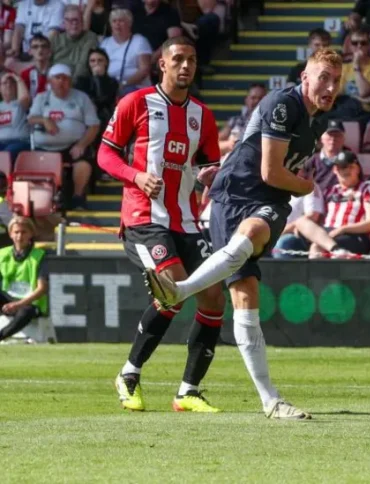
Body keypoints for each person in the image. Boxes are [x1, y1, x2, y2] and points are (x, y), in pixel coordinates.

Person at [145, 48, 344, 420]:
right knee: (244, 297)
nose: (330, 86)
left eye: (336, 80)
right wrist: (305, 188)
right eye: (323, 78)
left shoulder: (316, 121)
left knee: (252, 237)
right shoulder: (284, 105)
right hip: (235, 196)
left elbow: (257, 154)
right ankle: (270, 400)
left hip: (264, 202)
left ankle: (179, 291)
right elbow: (271, 172)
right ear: (305, 76)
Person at [97, 37, 225, 413]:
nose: (186, 66)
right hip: (143, 218)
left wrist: (212, 177)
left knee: (215, 297)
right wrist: (136, 177)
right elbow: (105, 152)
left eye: (192, 60)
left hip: (185, 220)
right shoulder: (135, 103)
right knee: (172, 290)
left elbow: (207, 168)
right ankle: (129, 374)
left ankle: (188, 391)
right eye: (178, 59)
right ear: (162, 65)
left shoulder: (203, 115)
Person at [281, 151, 370, 258]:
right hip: (329, 234)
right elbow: (319, 219)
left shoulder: (367, 189)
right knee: (301, 222)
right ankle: (336, 250)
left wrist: (343, 229)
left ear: (357, 168)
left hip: (356, 236)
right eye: (340, 168)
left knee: (317, 248)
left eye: (349, 167)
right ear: (334, 170)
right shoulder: (330, 191)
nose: (345, 171)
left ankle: (335, 250)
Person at [28, 63, 100, 209]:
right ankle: (46, 201)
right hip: (45, 147)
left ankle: (78, 197)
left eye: (65, 78)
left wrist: (82, 144)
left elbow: (94, 125)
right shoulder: (42, 98)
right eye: (57, 78)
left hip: (72, 146)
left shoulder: (81, 97)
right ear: (49, 81)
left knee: (83, 164)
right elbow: (30, 119)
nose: (61, 81)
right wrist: (44, 120)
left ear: (70, 81)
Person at [0, 217, 48, 344]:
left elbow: (42, 288)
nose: (19, 236)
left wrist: (18, 304)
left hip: (30, 303)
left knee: (27, 311)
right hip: (7, 298)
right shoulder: (2, 254)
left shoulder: (39, 255)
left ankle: (1, 335)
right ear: (10, 234)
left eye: (24, 232)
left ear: (31, 234)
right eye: (16, 232)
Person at [99, 9, 152, 96]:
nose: (117, 24)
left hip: (135, 86)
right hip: (110, 86)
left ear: (129, 24)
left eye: (121, 21)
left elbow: (144, 70)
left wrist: (124, 84)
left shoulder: (140, 41)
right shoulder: (105, 43)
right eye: (114, 21)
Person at [74, 47, 119, 135]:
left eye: (100, 60)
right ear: (88, 63)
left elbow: (104, 99)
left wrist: (98, 78)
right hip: (85, 114)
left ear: (106, 62)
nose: (96, 63)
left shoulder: (112, 82)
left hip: (104, 115)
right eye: (92, 61)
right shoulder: (81, 81)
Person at [51, 5, 98, 80]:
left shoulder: (90, 38)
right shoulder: (56, 39)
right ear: (64, 23)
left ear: (82, 22)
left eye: (76, 20)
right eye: (69, 20)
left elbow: (82, 67)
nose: (74, 23)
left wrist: (68, 86)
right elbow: (46, 63)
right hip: (54, 81)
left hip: (77, 83)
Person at [218, 83, 265, 156]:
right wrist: (230, 144)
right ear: (247, 100)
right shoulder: (234, 121)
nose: (256, 101)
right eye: (253, 97)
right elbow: (215, 145)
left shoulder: (270, 124)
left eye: (260, 98)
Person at [0, 72, 31, 164]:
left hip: (20, 142)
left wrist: (18, 79)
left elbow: (25, 98)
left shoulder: (20, 104)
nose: (9, 85)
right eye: (5, 83)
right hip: (1, 143)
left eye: (12, 82)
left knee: (6, 153)